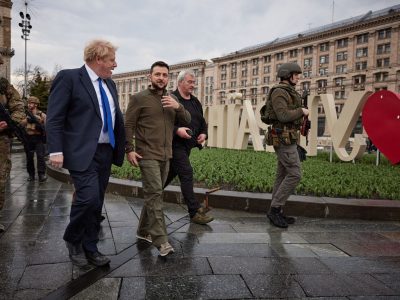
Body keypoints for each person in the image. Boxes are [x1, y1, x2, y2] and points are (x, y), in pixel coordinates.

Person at [46, 39, 125, 267]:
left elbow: (116, 119)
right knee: (88, 198)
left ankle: (91, 247)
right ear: (98, 59)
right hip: (82, 152)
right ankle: (73, 239)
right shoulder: (70, 78)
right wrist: (56, 150)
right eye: (112, 60)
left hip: (105, 152)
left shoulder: (110, 84)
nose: (115, 65)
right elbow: (55, 117)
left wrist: (125, 146)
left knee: (96, 201)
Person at [124, 61, 191, 257]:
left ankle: (143, 231)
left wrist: (178, 106)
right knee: (155, 195)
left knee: (154, 194)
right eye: (157, 74)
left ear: (168, 78)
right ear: (150, 77)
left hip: (166, 155)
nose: (161, 78)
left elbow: (187, 120)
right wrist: (129, 149)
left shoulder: (171, 99)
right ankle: (161, 241)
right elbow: (128, 125)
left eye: (164, 75)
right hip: (147, 154)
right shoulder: (138, 99)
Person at [163, 70, 213, 225]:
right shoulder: (171, 99)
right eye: (190, 82)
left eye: (194, 82)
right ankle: (194, 211)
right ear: (180, 82)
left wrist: (204, 134)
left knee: (168, 175)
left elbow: (202, 122)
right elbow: (163, 124)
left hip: (188, 147)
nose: (193, 85)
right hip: (175, 145)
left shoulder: (195, 101)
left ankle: (152, 194)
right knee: (186, 172)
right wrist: (177, 130)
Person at [265, 62, 309, 228]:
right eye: (296, 74)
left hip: (288, 137)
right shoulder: (279, 92)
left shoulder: (289, 91)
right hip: (283, 138)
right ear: (287, 75)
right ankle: (275, 210)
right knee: (295, 174)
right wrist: (301, 111)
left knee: (282, 175)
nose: (298, 77)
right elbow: (283, 115)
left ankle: (276, 210)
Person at [0, 77, 25, 232]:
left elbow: (19, 108)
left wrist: (8, 123)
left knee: (1, 177)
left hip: (1, 140)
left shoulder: (3, 86)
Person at [22, 96, 47, 182]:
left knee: (40, 156)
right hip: (28, 138)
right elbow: (20, 124)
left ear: (36, 104)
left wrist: (38, 122)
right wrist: (27, 120)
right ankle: (31, 175)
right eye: (28, 103)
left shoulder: (42, 115)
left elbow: (46, 127)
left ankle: (41, 174)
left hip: (38, 138)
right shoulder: (25, 114)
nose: (29, 105)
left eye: (31, 103)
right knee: (29, 157)